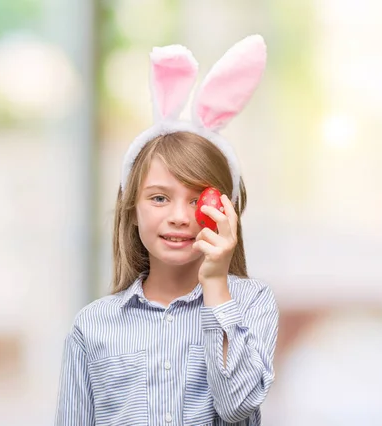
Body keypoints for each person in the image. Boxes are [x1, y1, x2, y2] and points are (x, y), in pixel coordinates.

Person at [55, 34, 279, 426]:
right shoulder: (92, 325)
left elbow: (238, 405)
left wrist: (216, 284)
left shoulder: (252, 303)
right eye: (159, 198)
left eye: (198, 200)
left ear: (226, 210)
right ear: (133, 210)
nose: (179, 216)